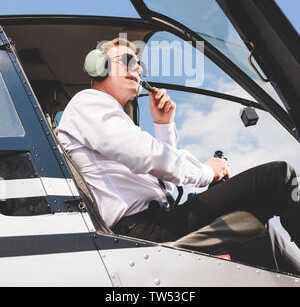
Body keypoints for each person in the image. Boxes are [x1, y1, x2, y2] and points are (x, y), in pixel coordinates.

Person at [57, 37, 300, 275]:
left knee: (257, 221)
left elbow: (166, 183)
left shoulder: (114, 122)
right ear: (99, 66)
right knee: (278, 177)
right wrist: (207, 173)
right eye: (129, 61)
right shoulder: (88, 103)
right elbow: (148, 156)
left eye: (140, 65)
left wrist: (163, 124)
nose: (139, 69)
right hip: (142, 229)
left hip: (157, 221)